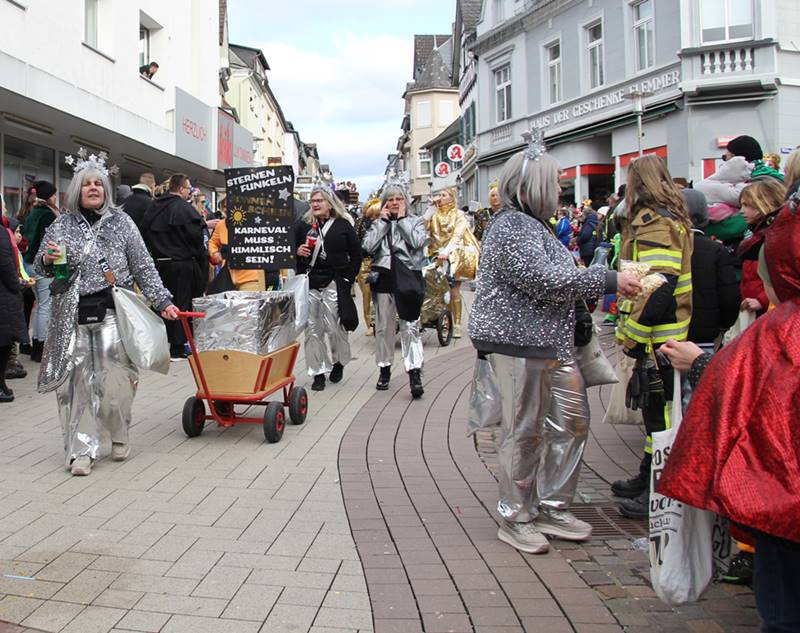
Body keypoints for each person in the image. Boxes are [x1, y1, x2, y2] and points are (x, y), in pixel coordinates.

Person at [468, 140, 640, 554]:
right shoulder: (512, 226)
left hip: (550, 343)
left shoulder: (533, 225)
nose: (561, 188)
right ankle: (516, 515)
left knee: (572, 424)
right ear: (534, 186)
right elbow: (542, 279)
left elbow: (551, 278)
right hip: (519, 344)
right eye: (555, 181)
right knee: (524, 432)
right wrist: (608, 280)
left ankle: (551, 505)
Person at [658, 193, 800, 632]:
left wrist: (698, 363)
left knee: (783, 612)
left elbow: (745, 389)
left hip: (786, 508)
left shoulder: (783, 329)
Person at [34, 152, 178, 476]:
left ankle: (118, 431)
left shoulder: (122, 223)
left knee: (117, 381)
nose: (93, 188)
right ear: (77, 190)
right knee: (76, 385)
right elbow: (40, 266)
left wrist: (163, 301)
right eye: (87, 184)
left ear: (106, 189)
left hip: (112, 312)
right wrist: (47, 261)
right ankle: (82, 451)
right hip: (71, 314)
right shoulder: (61, 225)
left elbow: (143, 266)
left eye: (98, 183)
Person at [611, 154, 694, 520]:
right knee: (654, 411)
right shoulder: (664, 218)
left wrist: (634, 336)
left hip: (659, 336)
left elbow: (657, 287)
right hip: (662, 334)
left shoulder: (655, 223)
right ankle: (647, 476)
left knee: (660, 414)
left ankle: (657, 492)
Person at [362, 182, 429, 398]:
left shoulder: (416, 221)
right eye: (390, 199)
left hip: (408, 277)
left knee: (410, 327)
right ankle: (384, 369)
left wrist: (401, 221)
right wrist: (382, 223)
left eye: (398, 199)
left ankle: (414, 372)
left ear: (405, 201)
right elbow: (367, 247)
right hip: (383, 278)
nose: (394, 202)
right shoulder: (377, 223)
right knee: (384, 327)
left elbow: (418, 242)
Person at [295, 186, 362, 391]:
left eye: (320, 200)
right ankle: (317, 372)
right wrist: (297, 251)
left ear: (330, 204)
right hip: (310, 282)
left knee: (334, 327)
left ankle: (339, 361)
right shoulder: (303, 225)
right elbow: (289, 251)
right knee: (312, 330)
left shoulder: (343, 225)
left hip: (335, 281)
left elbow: (356, 254)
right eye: (313, 200)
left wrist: (348, 279)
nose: (315, 204)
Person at [140, 173, 206, 359]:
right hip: (182, 264)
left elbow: (144, 232)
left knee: (160, 304)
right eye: (188, 188)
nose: (189, 192)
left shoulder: (154, 207)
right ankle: (177, 346)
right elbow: (196, 238)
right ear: (181, 189)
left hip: (159, 264)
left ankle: (161, 344)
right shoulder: (185, 209)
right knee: (180, 304)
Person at [683, 188, 740, 346]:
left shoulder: (665, 247)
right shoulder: (716, 250)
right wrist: (724, 324)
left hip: (667, 332)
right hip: (705, 333)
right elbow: (729, 295)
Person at [425, 186, 479, 338]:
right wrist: (429, 210)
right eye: (439, 195)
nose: (440, 197)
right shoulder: (435, 214)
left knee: (454, 289)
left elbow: (458, 234)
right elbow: (423, 229)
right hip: (436, 255)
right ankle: (445, 321)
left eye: (444, 195)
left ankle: (457, 324)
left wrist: (447, 251)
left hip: (453, 255)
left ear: (451, 197)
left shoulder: (459, 215)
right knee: (441, 291)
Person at [21, 180, 58, 363]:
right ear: (50, 196)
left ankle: (36, 342)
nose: (56, 197)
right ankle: (41, 347)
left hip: (28, 264)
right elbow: (52, 242)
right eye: (54, 194)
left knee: (39, 305)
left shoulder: (33, 212)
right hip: (41, 264)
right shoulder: (48, 214)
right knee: (45, 306)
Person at [738, 179, 786, 317]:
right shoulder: (756, 238)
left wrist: (762, 300)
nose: (741, 211)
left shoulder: (776, 238)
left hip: (772, 310)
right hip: (756, 309)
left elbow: (784, 279)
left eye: (747, 205)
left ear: (765, 203)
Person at [0, 204, 29, 401]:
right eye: (2, 207)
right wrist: (18, 285)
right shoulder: (3, 234)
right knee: (4, 343)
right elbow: (6, 266)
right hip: (4, 297)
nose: (5, 211)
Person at [355, 197, 381, 336]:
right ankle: (370, 324)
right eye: (373, 215)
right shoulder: (360, 223)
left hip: (381, 262)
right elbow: (355, 243)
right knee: (367, 294)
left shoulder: (386, 224)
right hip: (365, 262)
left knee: (381, 294)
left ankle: (381, 321)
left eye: (378, 215)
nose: (375, 218)